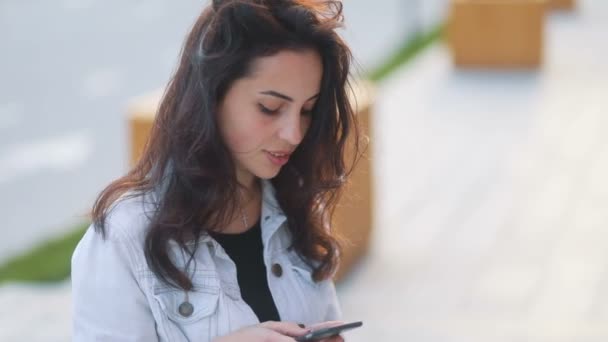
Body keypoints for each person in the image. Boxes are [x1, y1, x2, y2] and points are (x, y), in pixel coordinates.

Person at [71, 0, 361, 341]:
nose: (294, 134)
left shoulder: (296, 207)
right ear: (212, 96)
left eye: (307, 110)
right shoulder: (124, 238)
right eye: (270, 108)